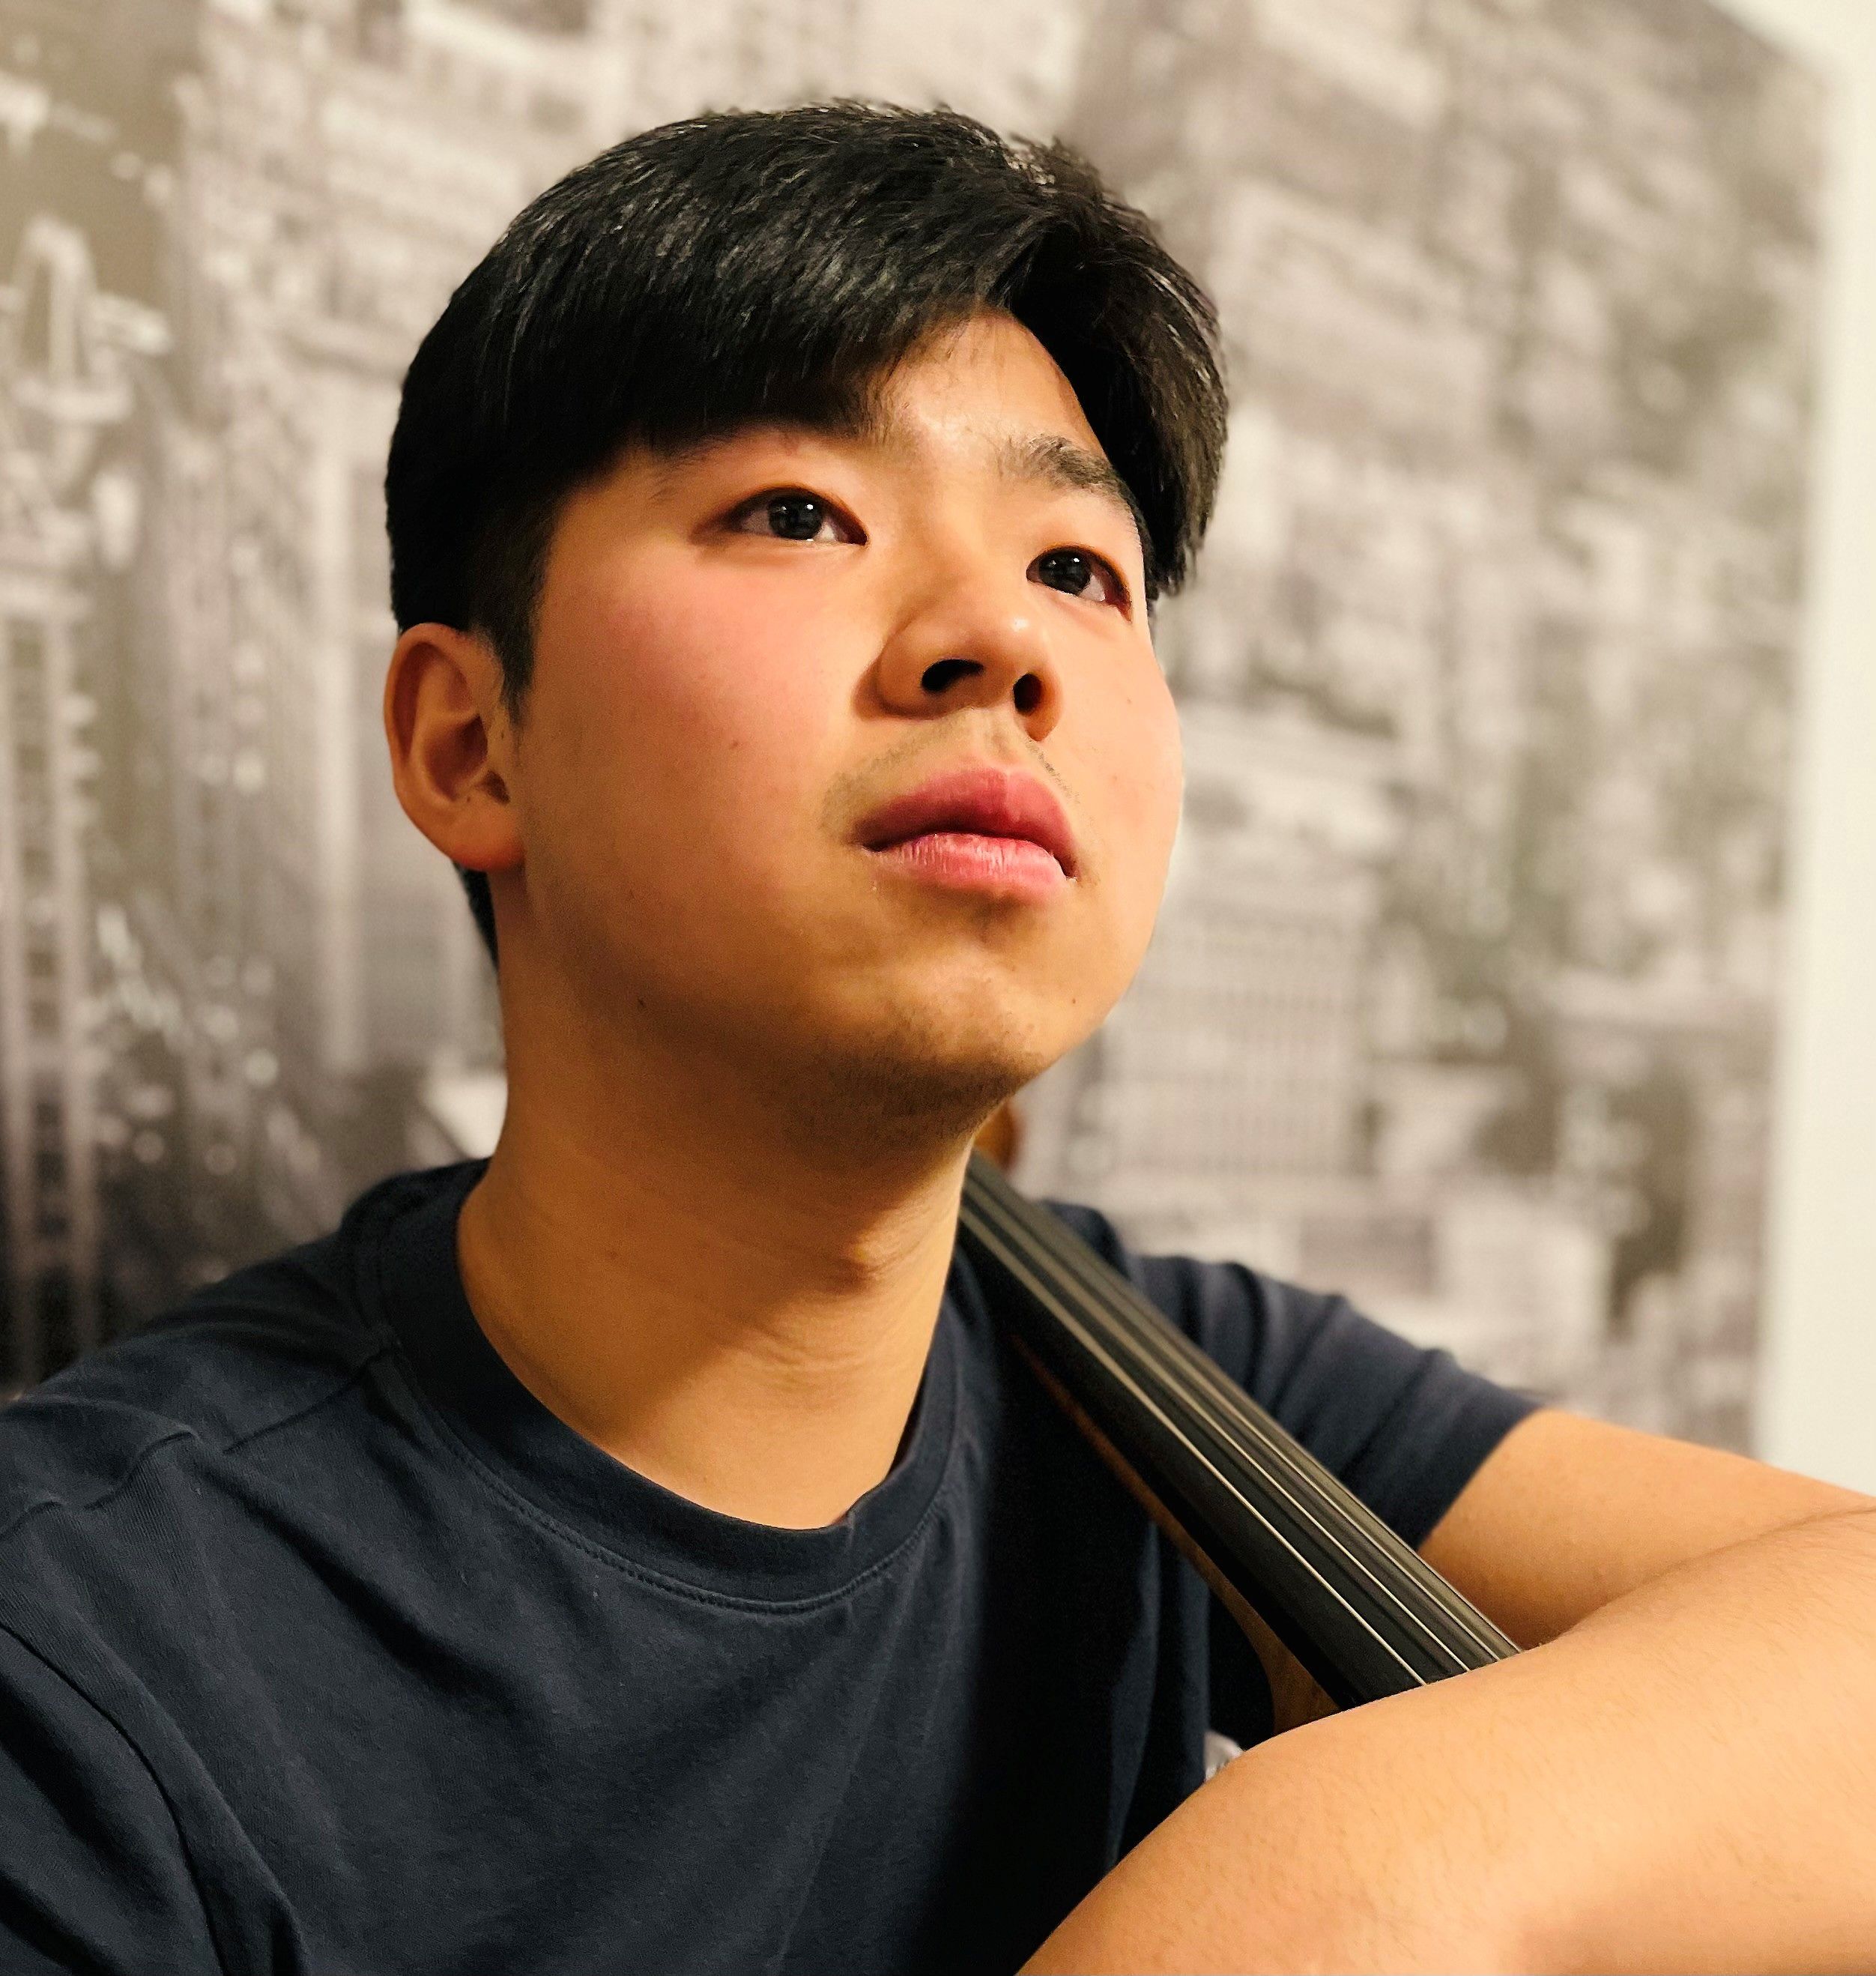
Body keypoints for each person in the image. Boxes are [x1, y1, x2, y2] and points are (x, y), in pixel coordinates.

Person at [2, 103, 1872, 1975]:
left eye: (1079, 568)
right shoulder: (85, 1660)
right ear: (469, 741)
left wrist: (1331, 1873)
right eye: (798, 511)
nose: (1000, 637)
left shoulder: (1147, 1376)